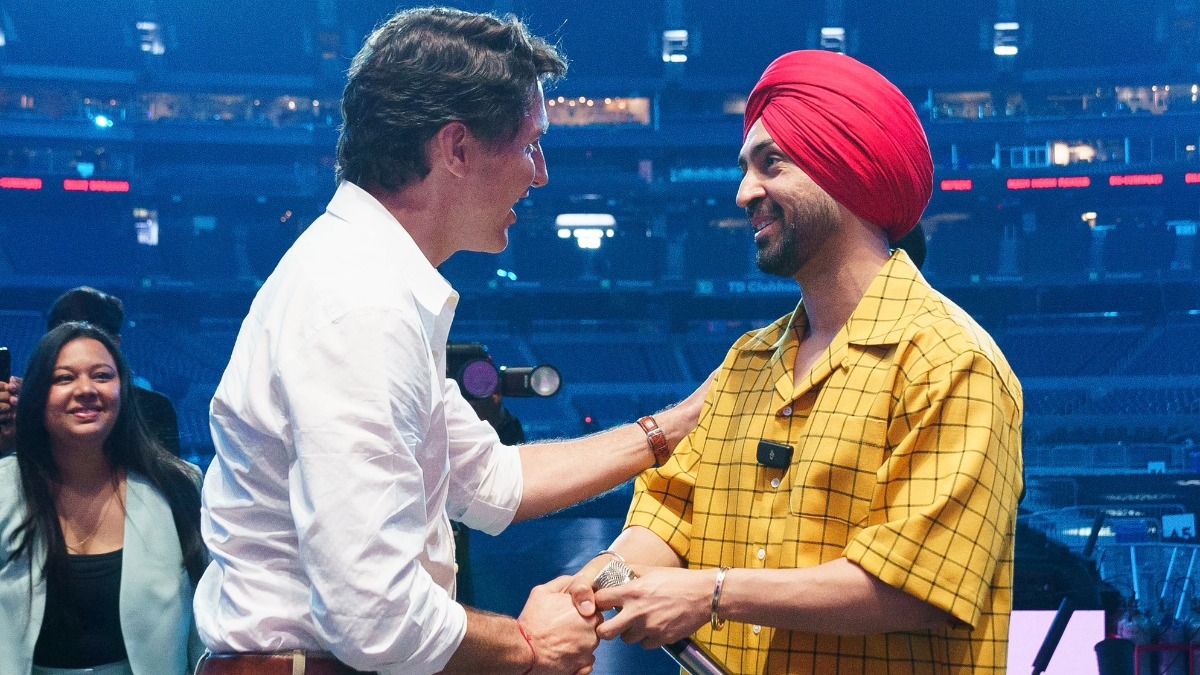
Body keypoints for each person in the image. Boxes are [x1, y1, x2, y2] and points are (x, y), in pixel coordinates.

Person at [194, 7, 709, 675]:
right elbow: (373, 615)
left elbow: (492, 481)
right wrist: (527, 647)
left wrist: (678, 423)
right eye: (529, 143)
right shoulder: (359, 304)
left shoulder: (365, 278)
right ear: (457, 148)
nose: (541, 171)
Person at [567, 50, 1024, 675]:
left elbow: (916, 585)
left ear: (848, 170)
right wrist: (591, 588)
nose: (743, 191)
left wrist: (712, 593)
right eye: (745, 168)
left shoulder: (951, 362)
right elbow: (669, 513)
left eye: (769, 164)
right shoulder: (747, 362)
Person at [0, 322, 206, 675]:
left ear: (123, 390)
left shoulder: (177, 485)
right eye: (64, 378)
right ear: (35, 395)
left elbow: (203, 627)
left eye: (102, 376)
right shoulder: (4, 488)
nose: (85, 390)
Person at [44, 286, 183, 457]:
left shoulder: (153, 409)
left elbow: (170, 479)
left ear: (115, 343)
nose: (85, 391)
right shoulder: (28, 407)